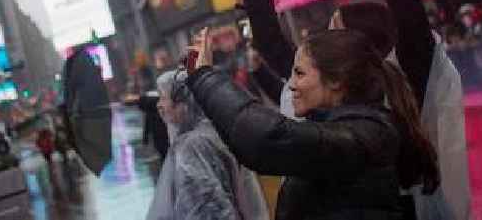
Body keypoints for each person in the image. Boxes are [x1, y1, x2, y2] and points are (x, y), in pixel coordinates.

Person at [234, 0, 471, 220]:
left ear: (361, 45)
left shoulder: (402, 84)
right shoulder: (325, 82)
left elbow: (410, 17)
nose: (323, 42)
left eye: (335, 29)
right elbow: (273, 46)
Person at [186, 27, 439, 220]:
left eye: (300, 73)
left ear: (337, 81)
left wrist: (205, 78)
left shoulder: (365, 135)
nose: (291, 85)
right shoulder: (349, 127)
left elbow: (265, 141)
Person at [146, 69, 269, 220]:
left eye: (163, 98)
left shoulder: (193, 146)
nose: (159, 105)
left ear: (183, 103)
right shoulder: (215, 131)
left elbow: (207, 207)